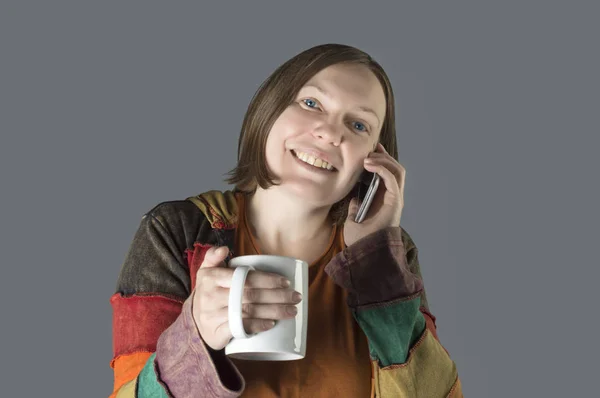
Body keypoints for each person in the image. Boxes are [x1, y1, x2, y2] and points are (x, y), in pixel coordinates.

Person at [109, 43, 463, 397]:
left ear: (373, 161)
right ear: (270, 109)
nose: (329, 133)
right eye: (311, 104)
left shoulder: (388, 256)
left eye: (358, 125)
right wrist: (195, 335)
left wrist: (377, 264)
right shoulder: (176, 232)